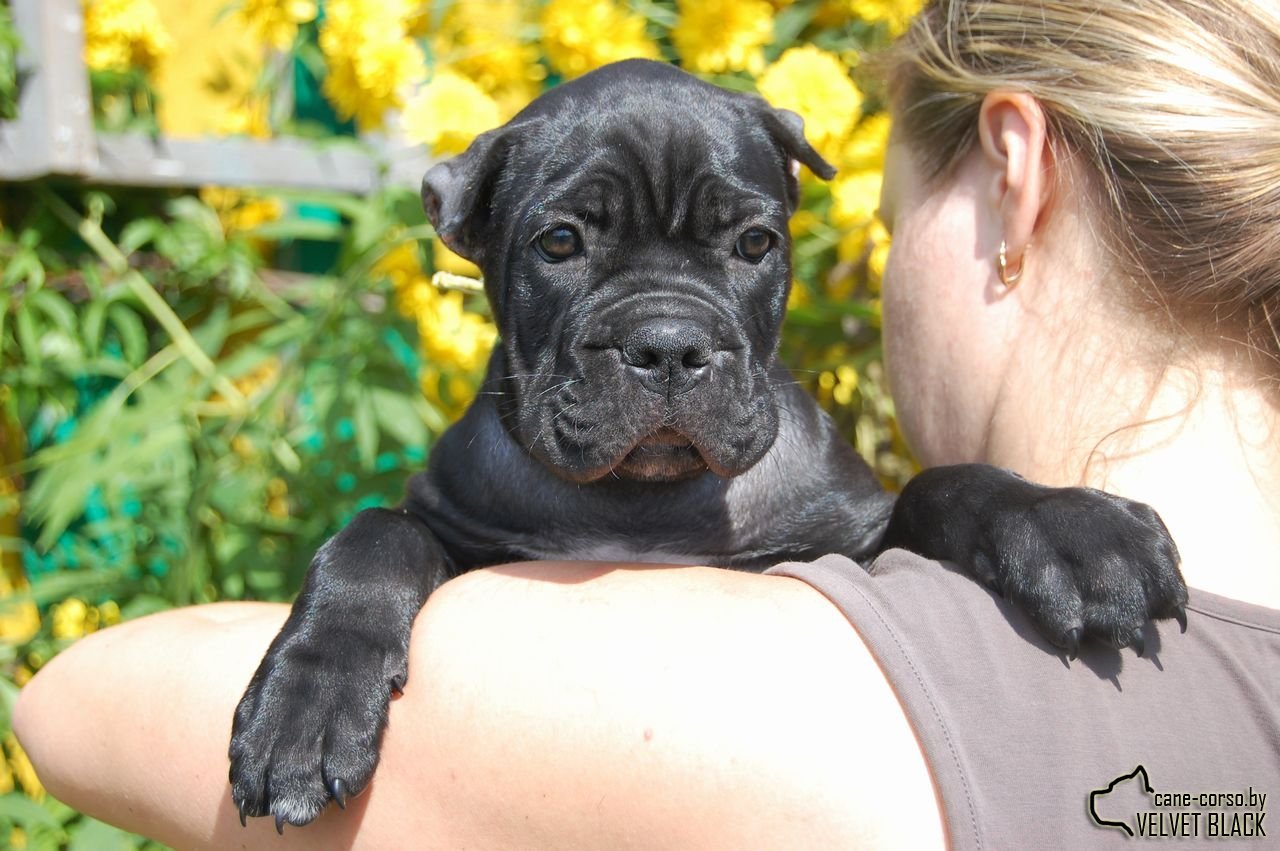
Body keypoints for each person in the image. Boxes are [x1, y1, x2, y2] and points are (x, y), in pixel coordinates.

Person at [14, 0, 1280, 847]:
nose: (669, 331)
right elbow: (407, 540)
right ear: (474, 232)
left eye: (742, 246)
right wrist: (357, 601)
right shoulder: (476, 479)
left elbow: (895, 524)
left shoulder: (813, 478)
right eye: (566, 244)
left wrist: (988, 501)